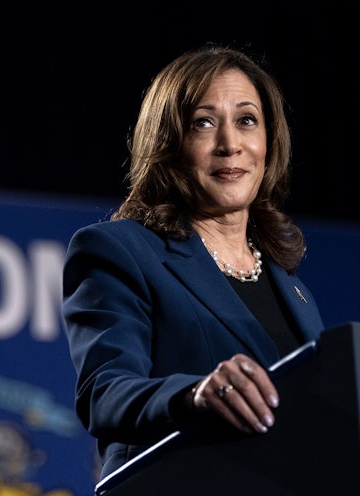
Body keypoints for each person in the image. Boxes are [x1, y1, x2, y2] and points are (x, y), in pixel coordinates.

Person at [61, 44, 326, 481]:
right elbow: (104, 394)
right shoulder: (119, 251)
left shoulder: (293, 288)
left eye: (247, 120)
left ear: (269, 140)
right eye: (203, 123)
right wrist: (194, 395)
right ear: (168, 143)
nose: (230, 145)